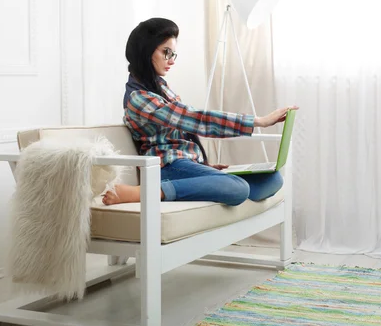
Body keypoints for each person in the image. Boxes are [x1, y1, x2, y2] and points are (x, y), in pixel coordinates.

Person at [102, 17, 298, 206]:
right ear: (146, 51)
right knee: (237, 188)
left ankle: (211, 185)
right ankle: (149, 191)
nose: (171, 60)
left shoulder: (160, 87)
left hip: (187, 163)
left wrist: (206, 170)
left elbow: (184, 130)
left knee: (272, 179)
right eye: (166, 52)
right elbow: (193, 119)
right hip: (169, 167)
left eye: (173, 54)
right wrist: (258, 121)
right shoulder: (140, 98)